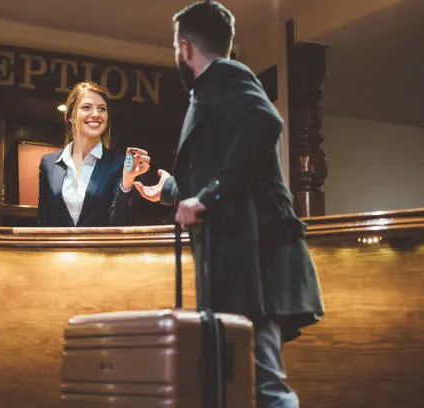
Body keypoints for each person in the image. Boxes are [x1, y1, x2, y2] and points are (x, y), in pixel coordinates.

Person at [133, 2, 324, 407]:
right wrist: (173, 192)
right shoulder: (213, 88)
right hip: (238, 263)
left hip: (252, 264)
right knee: (241, 384)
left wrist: (206, 197)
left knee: (265, 386)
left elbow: (264, 122)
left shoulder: (224, 74)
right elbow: (225, 168)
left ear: (185, 48)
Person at [38, 81, 150, 227]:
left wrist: (127, 181)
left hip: (99, 249)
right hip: (59, 249)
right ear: (70, 116)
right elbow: (43, 221)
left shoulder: (119, 164)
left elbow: (119, 225)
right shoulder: (48, 163)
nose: (96, 114)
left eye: (102, 109)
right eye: (86, 107)